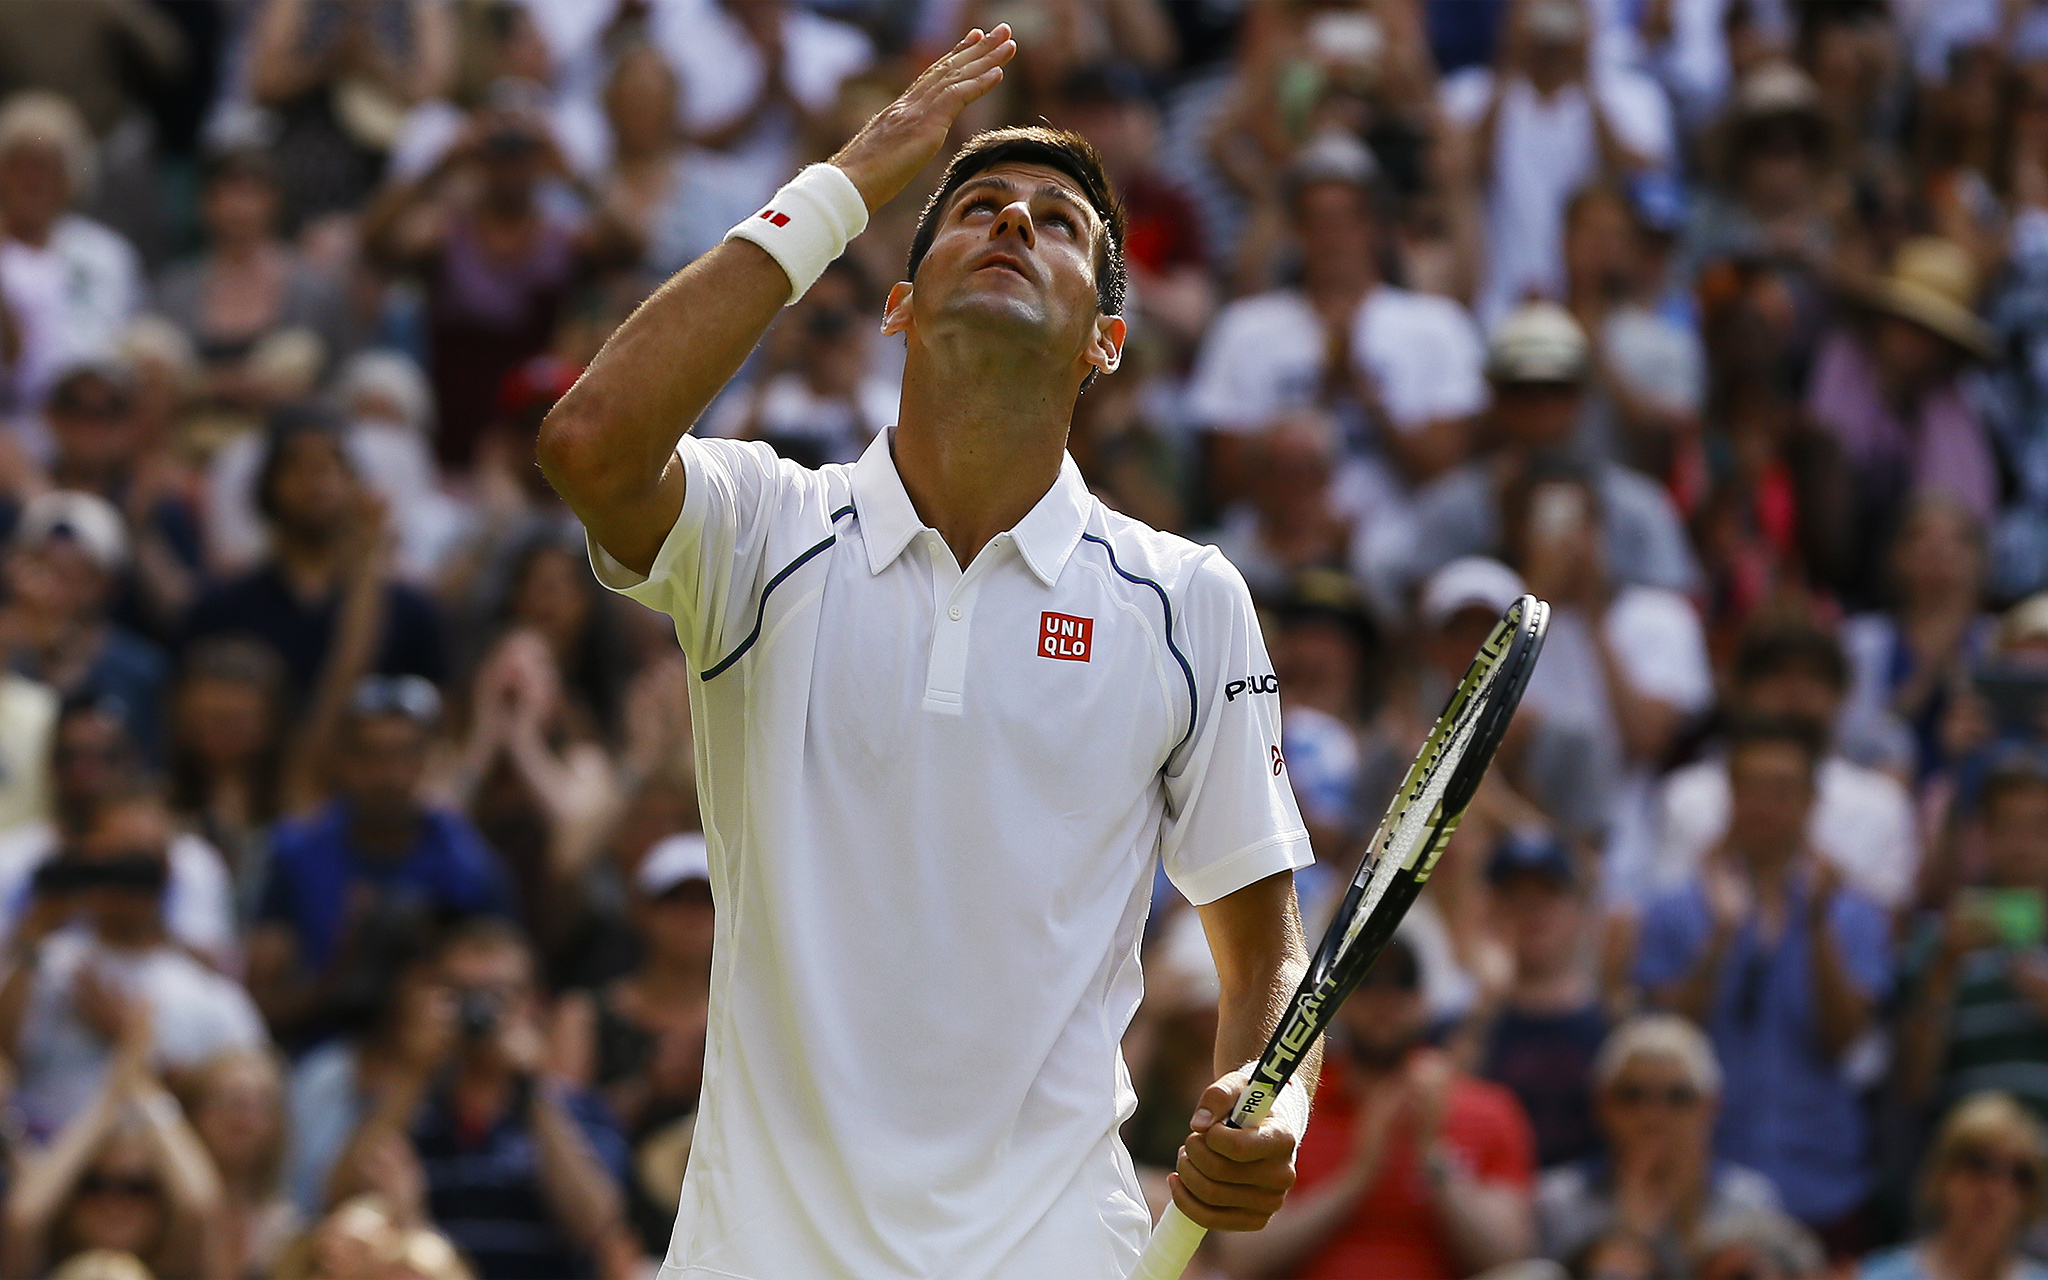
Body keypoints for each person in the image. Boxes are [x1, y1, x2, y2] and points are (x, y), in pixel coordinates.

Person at [537, 25, 1316, 1275]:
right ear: (898, 305)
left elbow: (1262, 940)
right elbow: (588, 445)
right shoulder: (763, 529)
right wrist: (845, 184)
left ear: (1103, 344)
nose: (1013, 223)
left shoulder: (1187, 599)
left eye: (1059, 223)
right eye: (976, 209)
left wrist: (1269, 1100)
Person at [1636, 717, 1893, 1245]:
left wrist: (1818, 925)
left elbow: (1844, 1039)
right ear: (1729, 794)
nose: (1763, 804)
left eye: (1782, 789)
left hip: (1824, 1178)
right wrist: (1721, 937)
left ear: (1811, 799)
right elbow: (1667, 1037)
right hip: (1708, 1183)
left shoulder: (1855, 915)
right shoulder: (1677, 910)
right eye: (1749, 786)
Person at [329, 916, 633, 1280]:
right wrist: (414, 1071)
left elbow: (597, 1226)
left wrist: (532, 1090)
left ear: (533, 1004)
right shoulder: (406, 1106)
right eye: (459, 993)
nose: (477, 1011)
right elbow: (340, 1200)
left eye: (497, 995)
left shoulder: (578, 1109)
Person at [1217, 936, 1536, 1279]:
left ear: (1424, 1000)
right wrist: (1359, 1174)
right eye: (1366, 982)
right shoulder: (1288, 1108)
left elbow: (1510, 1257)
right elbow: (1239, 1258)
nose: (1384, 1001)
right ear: (1340, 999)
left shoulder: (1488, 1110)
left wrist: (1432, 1154)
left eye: (1402, 982)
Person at [249, 676, 508, 1047]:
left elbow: (506, 984)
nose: (388, 774)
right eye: (371, 755)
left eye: (406, 754)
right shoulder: (295, 853)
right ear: (343, 760)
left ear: (430, 758)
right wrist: (345, 956)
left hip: (445, 1055)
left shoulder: (469, 865)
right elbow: (263, 1005)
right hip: (319, 1050)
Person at [0, 788, 264, 1143]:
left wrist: (132, 1043)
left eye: (140, 864)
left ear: (168, 869)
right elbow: (5, 1059)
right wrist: (33, 933)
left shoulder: (212, 996)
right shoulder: (44, 967)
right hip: (44, 1170)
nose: (125, 879)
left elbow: (251, 1112)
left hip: (151, 1183)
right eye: (112, 861)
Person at [180, 407, 447, 704]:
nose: (317, 475)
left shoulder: (408, 611)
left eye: (334, 460)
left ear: (357, 483)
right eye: (296, 463)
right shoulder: (222, 610)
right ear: (268, 484)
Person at [1654, 620, 1921, 911]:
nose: (1796, 692)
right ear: (1739, 690)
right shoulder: (1688, 795)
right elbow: (1666, 921)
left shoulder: (1882, 802)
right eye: (1776, 674)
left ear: (1843, 695)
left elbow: (1884, 930)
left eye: (1814, 677)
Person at [552, 832, 713, 1257]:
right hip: (615, 1244)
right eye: (675, 899)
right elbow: (559, 1135)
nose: (691, 916)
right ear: (641, 911)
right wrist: (648, 1089)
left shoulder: (746, 1020)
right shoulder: (584, 1015)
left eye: (706, 901)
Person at [1, 983, 229, 1280]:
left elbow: (201, 1204)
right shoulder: (40, 1263)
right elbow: (24, 1214)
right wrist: (109, 1100)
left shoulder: (176, 1269)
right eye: (93, 1184)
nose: (114, 1203)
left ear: (163, 1202)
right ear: (67, 1193)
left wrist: (142, 1085)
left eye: (137, 1187)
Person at [0, 693, 235, 969]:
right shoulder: (14, 855)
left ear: (132, 759)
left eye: (105, 756)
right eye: (70, 756)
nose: (85, 771)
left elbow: (218, 973)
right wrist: (41, 922)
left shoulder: (189, 859)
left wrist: (137, 913)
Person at [1537, 1015, 1783, 1270]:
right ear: (1602, 1106)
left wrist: (1691, 1229)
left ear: (1711, 1107)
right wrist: (1632, 1236)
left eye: (1677, 1097)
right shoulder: (1557, 1205)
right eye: (1632, 1096)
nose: (1653, 1117)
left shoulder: (1751, 1203)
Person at [1900, 752, 2048, 1120]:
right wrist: (1945, 968)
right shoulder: (1938, 936)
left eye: (2040, 827)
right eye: (2009, 825)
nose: (2023, 843)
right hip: (1971, 1158)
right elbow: (1914, 1085)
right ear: (1984, 834)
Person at [0, 91, 140, 420]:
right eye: (20, 165)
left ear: (71, 176)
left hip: (90, 418)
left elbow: (115, 347)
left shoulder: (106, 253)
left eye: (46, 166)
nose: (32, 180)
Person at [1474, 829, 1608, 1171]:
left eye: (1547, 896)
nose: (1532, 912)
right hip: (1492, 1198)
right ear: (1494, 913)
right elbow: (1451, 1114)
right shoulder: (1469, 1022)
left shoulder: (1610, 1024)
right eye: (1515, 898)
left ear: (1577, 912)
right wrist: (1487, 1004)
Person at [1859, 1092, 2048, 1280]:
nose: (1996, 1190)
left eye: (2020, 1175)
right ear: (1943, 1174)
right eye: (1979, 1164)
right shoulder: (1876, 1276)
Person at [178, 1049, 298, 1280]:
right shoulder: (162, 1213)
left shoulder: (285, 1227)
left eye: (259, 1102)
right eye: (227, 1099)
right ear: (193, 1112)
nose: (242, 1115)